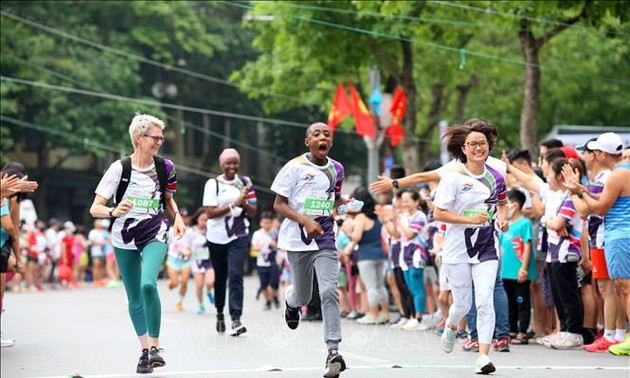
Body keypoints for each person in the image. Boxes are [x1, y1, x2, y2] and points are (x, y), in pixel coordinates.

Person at [89, 113, 185, 374]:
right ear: (138, 138)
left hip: (155, 230)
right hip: (124, 236)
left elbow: (168, 199)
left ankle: (155, 347)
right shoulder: (120, 169)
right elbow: (95, 208)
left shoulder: (165, 167)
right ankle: (144, 352)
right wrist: (113, 211)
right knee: (134, 298)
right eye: (155, 137)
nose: (159, 142)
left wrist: (177, 217)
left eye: (162, 138)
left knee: (147, 284)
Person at [432, 119, 508, 374]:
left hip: (487, 247)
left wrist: (504, 219)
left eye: (483, 144)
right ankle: (452, 324)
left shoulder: (496, 177)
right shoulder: (453, 178)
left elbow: (502, 204)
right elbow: (439, 213)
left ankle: (483, 356)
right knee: (463, 304)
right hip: (457, 249)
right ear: (463, 148)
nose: (478, 148)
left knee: (485, 300)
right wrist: (468, 219)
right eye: (473, 144)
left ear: (489, 147)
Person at [272, 122, 347, 378]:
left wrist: (344, 204)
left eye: (326, 134)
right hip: (297, 239)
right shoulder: (293, 167)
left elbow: (332, 200)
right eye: (316, 134)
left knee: (329, 291)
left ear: (331, 141)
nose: (322, 137)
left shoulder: (336, 169)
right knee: (304, 297)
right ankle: (291, 300)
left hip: (325, 237)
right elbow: (279, 205)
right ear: (308, 142)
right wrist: (304, 220)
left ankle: (333, 351)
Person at [562, 132, 630, 356]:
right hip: (618, 234)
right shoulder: (622, 172)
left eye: (594, 151)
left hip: (619, 234)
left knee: (624, 288)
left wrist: (577, 190)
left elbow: (600, 208)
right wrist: (580, 190)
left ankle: (624, 336)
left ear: (601, 154)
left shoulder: (616, 175)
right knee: (622, 288)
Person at [202, 148, 257, 336]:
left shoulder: (246, 182)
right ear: (221, 164)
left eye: (235, 162)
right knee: (220, 277)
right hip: (216, 238)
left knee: (236, 276)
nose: (232, 166)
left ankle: (236, 319)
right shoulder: (213, 184)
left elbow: (253, 211)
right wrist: (233, 204)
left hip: (238, 235)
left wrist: (244, 202)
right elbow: (210, 213)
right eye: (228, 163)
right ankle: (219, 312)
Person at [343, 187, 389, 325]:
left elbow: (357, 236)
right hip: (380, 253)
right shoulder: (377, 216)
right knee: (380, 285)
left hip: (366, 255)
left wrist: (348, 232)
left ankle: (373, 314)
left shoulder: (361, 217)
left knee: (371, 287)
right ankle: (385, 314)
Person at [500, 189, 537, 344]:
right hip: (506, 271)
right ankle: (512, 330)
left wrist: (524, 268)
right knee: (509, 301)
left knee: (522, 301)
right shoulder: (505, 225)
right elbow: (502, 248)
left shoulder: (524, 223)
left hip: (520, 271)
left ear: (514, 205)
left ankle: (523, 332)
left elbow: (527, 245)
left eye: (505, 203)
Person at [182, 208, 214, 315]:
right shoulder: (190, 232)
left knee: (210, 282)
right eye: (203, 220)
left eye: (207, 220)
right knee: (199, 285)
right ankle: (201, 305)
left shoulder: (211, 230)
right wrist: (186, 252)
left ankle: (209, 291)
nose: (204, 222)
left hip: (209, 261)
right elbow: (185, 247)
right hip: (196, 262)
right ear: (197, 219)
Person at [251, 211, 281, 310]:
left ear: (271, 223)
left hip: (273, 262)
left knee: (274, 283)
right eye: (264, 223)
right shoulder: (257, 234)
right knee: (264, 284)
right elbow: (253, 248)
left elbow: (281, 247)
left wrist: (274, 245)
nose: (266, 225)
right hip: (261, 263)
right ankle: (268, 301)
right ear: (261, 223)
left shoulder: (275, 233)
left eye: (268, 223)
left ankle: (275, 298)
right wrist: (259, 246)